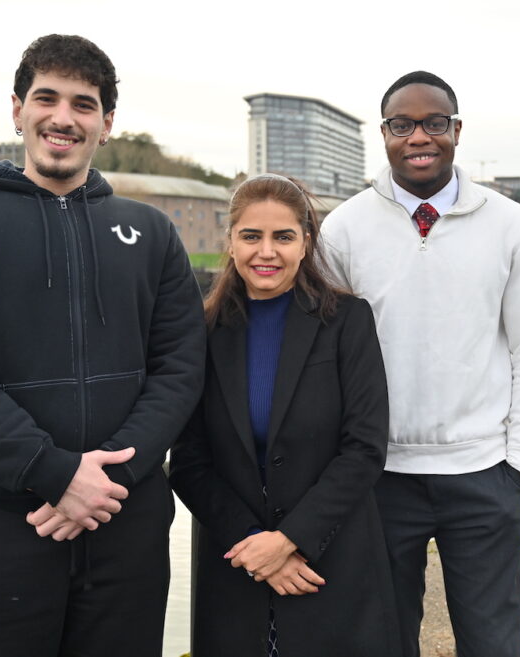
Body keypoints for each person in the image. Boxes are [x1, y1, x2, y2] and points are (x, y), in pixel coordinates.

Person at [0, 34, 205, 657]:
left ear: (106, 123)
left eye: (83, 104)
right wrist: (57, 474)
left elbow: (179, 368)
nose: (63, 118)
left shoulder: (152, 233)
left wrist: (104, 479)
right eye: (47, 98)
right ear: (17, 109)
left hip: (122, 532)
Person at [320, 71, 520, 657]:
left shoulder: (509, 223)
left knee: (493, 643)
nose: (418, 136)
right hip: (377, 476)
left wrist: (519, 463)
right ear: (384, 134)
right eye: (403, 125)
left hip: (483, 475)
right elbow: (323, 359)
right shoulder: (344, 228)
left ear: (456, 130)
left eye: (434, 123)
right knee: (382, 641)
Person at [169, 174, 401, 657]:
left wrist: (291, 539)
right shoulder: (202, 331)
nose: (266, 252)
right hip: (237, 566)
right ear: (230, 243)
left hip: (330, 561)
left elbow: (364, 448)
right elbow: (189, 461)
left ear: (306, 243)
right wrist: (256, 544)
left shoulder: (347, 322)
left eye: (283, 237)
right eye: (251, 236)